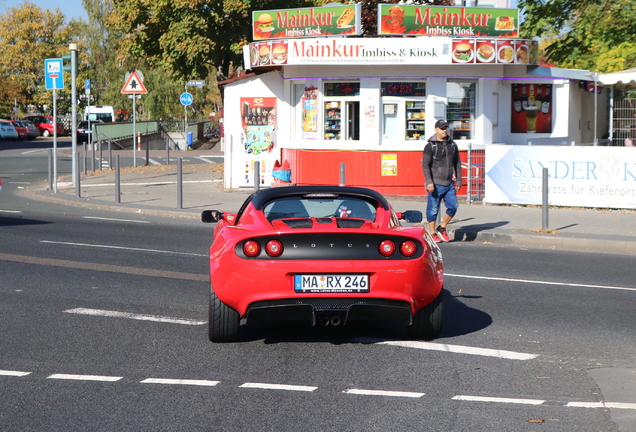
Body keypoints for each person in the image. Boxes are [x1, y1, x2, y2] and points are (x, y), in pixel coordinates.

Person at [422, 119, 462, 242]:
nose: (444, 130)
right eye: (442, 128)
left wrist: (459, 180)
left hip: (449, 183)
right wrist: (429, 181)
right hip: (435, 183)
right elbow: (425, 165)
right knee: (433, 209)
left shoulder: (452, 145)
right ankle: (432, 232)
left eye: (445, 128)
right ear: (436, 130)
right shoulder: (430, 146)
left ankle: (442, 227)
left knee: (453, 206)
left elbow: (457, 163)